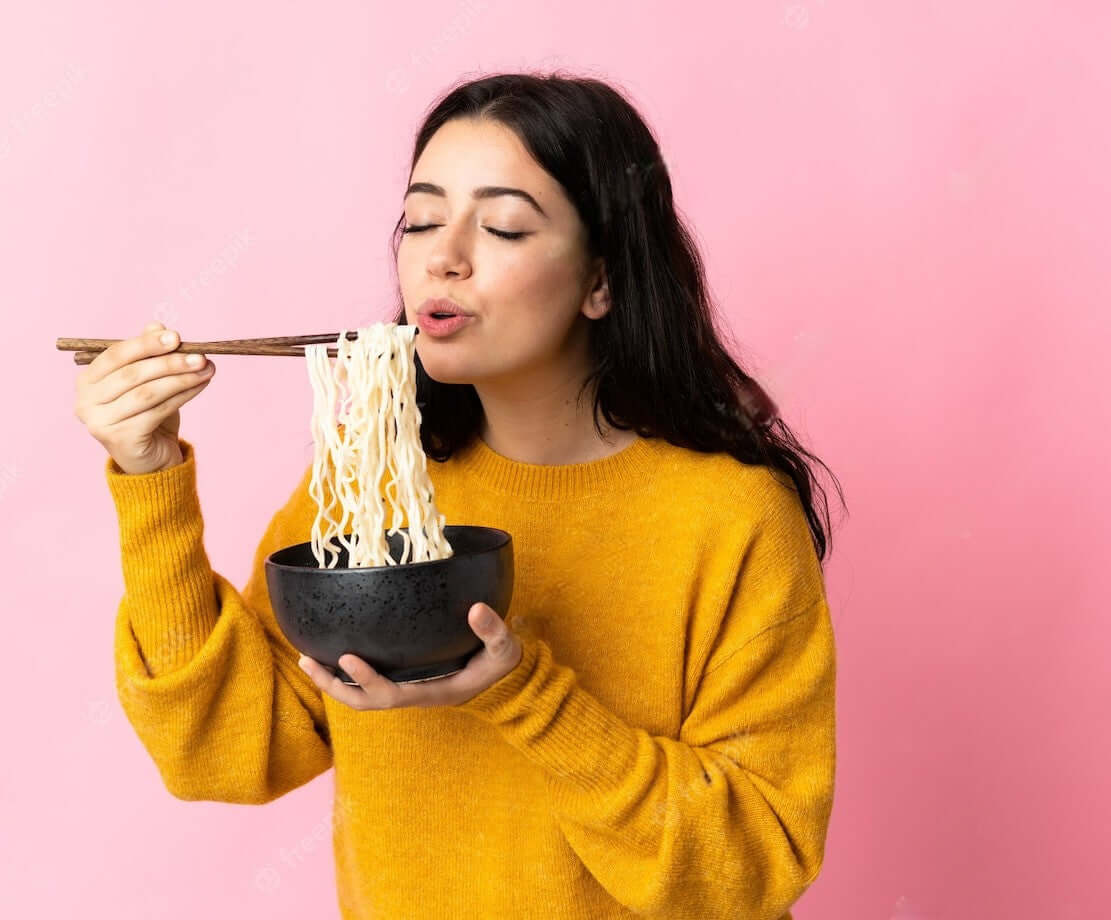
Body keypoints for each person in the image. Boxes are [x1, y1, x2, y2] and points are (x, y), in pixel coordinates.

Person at [74, 71, 846, 920]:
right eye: (423, 219)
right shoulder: (373, 482)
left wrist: (520, 695)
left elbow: (751, 867)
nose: (443, 256)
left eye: (505, 224)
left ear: (601, 280)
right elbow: (221, 750)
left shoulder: (729, 517)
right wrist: (150, 479)